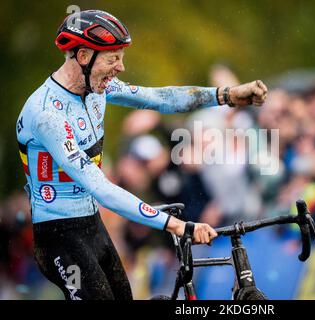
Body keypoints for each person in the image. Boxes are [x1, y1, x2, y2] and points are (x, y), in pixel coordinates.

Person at [15, 9, 268, 300]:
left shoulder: (97, 89)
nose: (121, 67)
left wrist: (227, 95)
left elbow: (159, 98)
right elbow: (101, 187)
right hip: (60, 237)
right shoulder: (47, 115)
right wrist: (176, 224)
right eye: (113, 58)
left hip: (92, 227)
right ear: (83, 56)